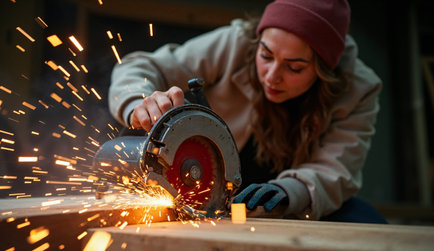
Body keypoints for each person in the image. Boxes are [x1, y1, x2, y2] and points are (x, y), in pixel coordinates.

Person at [108, 0, 386, 223]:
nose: (272, 76)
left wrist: (288, 194)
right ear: (258, 41)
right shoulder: (236, 42)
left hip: (290, 196)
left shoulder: (359, 88)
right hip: (209, 185)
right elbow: (141, 67)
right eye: (266, 56)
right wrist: (139, 103)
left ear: (325, 72)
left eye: (295, 67)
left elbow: (335, 169)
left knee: (367, 221)